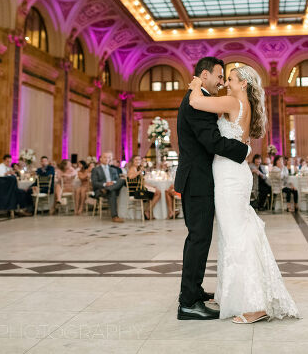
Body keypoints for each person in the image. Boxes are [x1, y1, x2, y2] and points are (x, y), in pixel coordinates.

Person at [187, 62, 299, 324]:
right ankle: (232, 295)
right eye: (225, 79)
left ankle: (255, 304)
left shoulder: (231, 102)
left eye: (231, 79)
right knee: (233, 234)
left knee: (236, 236)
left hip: (230, 177)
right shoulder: (241, 104)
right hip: (233, 174)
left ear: (243, 84)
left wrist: (195, 85)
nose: (226, 83)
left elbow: (195, 102)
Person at [174, 57, 251, 321]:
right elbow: (212, 141)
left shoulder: (200, 97)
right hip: (197, 181)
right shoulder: (196, 102)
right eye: (219, 76)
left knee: (199, 238)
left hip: (199, 179)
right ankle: (188, 302)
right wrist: (243, 150)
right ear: (204, 75)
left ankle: (194, 290)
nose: (221, 82)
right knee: (198, 239)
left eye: (225, 78)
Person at [91, 153, 126, 223]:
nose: (107, 159)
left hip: (110, 188)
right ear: (100, 159)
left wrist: (112, 183)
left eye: (108, 158)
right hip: (101, 190)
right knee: (112, 192)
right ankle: (115, 217)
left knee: (122, 180)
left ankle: (108, 189)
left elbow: (116, 180)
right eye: (105, 157)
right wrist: (105, 184)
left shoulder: (113, 169)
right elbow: (94, 183)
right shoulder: (95, 170)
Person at [127, 154, 160, 220]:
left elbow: (142, 182)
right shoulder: (132, 168)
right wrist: (139, 171)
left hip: (140, 189)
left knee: (157, 192)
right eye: (136, 160)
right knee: (158, 193)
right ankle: (147, 211)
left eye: (139, 159)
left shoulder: (137, 168)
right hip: (136, 192)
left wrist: (152, 187)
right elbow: (130, 177)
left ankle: (148, 211)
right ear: (133, 161)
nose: (138, 161)